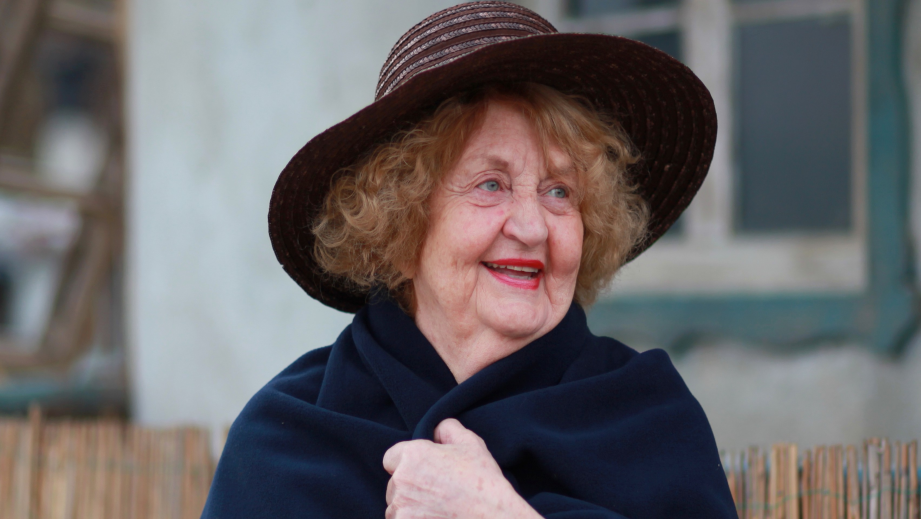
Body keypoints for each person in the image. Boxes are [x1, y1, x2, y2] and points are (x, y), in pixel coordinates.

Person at [202, 2, 737, 518]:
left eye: (559, 191)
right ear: (402, 225)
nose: (532, 228)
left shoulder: (646, 417)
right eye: (491, 184)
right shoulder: (286, 441)